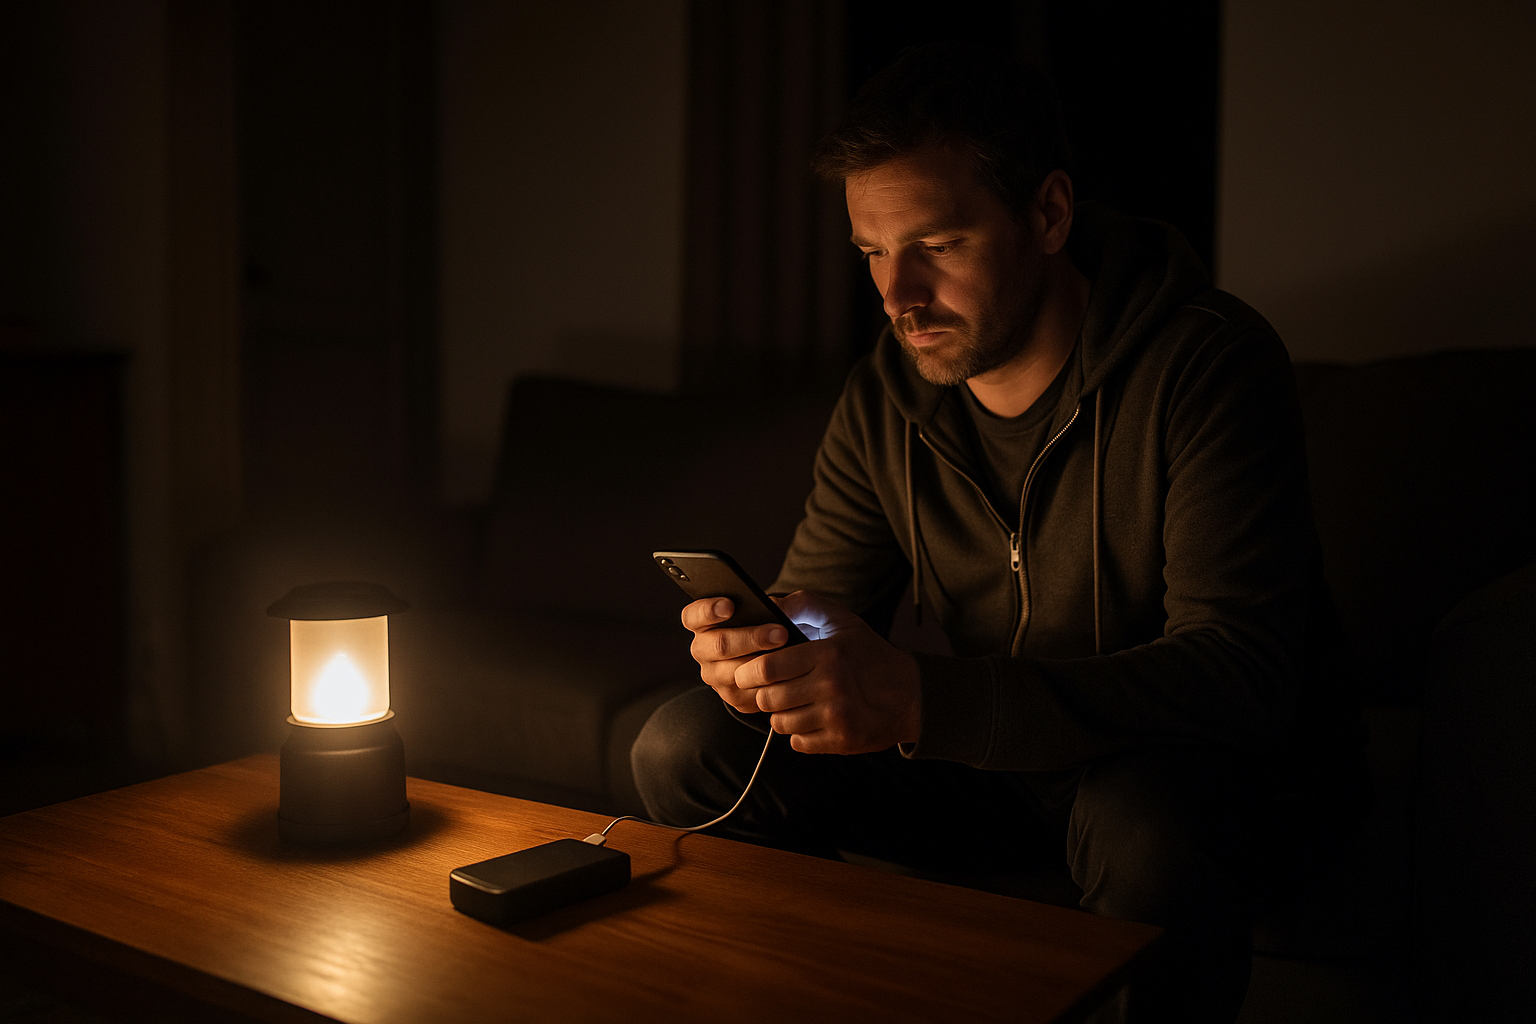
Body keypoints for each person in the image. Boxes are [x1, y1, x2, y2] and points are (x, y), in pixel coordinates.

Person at [632, 42, 1364, 1024]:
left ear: (1049, 214)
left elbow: (1241, 672)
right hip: (1001, 767)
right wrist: (777, 657)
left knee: (1145, 826)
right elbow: (825, 606)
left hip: (1184, 768)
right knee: (684, 745)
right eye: (872, 253)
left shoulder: (1206, 365)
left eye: (938, 244)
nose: (898, 296)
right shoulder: (884, 397)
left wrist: (924, 698)